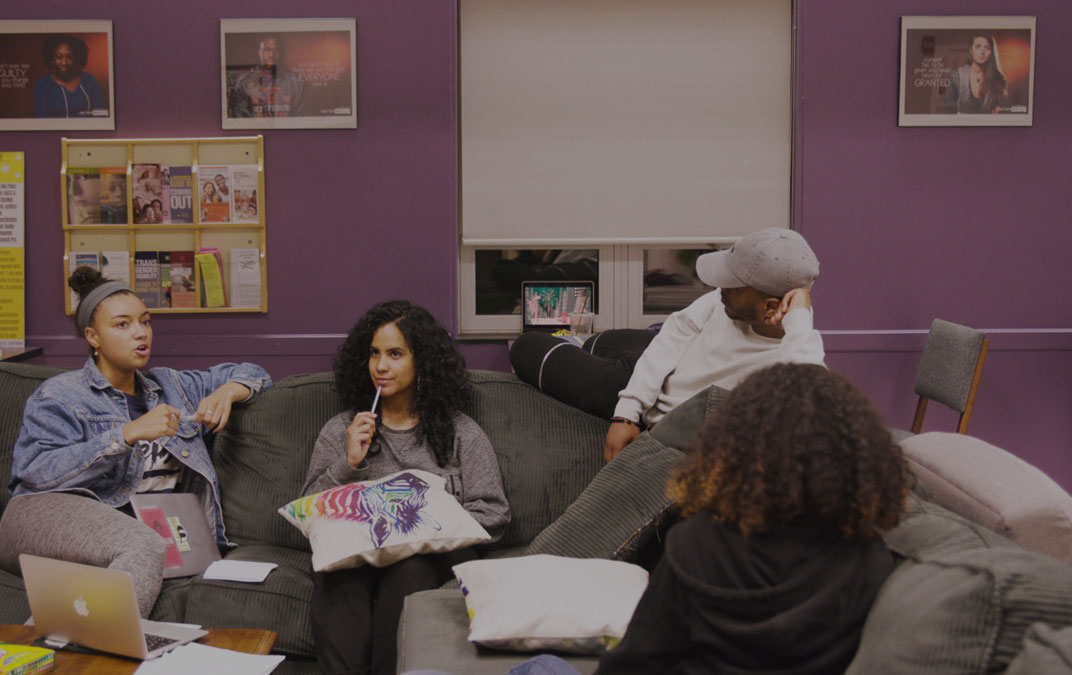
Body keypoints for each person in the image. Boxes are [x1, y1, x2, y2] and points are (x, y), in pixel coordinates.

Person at [473, 364, 909, 675]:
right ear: (855, 454)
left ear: (737, 446)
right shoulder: (871, 560)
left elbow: (637, 661)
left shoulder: (700, 542)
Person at [0, 266, 270, 617]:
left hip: (139, 532)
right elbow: (35, 472)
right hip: (41, 517)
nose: (141, 333)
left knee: (98, 588)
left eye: (146, 321)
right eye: (122, 325)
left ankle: (45, 654)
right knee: (143, 546)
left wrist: (228, 392)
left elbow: (254, 372)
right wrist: (124, 435)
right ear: (93, 337)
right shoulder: (60, 395)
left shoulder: (173, 386)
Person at [303, 299, 510, 675]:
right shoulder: (342, 430)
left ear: (422, 362)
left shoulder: (460, 432)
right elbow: (310, 511)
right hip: (358, 553)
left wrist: (426, 519)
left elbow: (494, 512)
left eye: (395, 354)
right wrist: (348, 463)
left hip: (428, 556)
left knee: (411, 570)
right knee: (336, 575)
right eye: (374, 354)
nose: (381, 366)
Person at [508, 228, 824, 461]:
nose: (718, 287)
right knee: (604, 341)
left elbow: (809, 394)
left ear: (771, 308)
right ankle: (590, 350)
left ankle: (592, 361)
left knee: (526, 347)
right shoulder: (723, 299)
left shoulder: (795, 361)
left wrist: (628, 417)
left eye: (731, 284)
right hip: (664, 363)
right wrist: (626, 409)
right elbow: (677, 329)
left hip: (655, 405)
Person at [229, 36, 306, 118]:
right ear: (259, 52)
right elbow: (238, 119)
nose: (271, 55)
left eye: (277, 50)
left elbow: (302, 118)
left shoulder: (296, 81)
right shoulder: (245, 82)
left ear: (282, 53)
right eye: (267, 50)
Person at [32, 35, 105, 118]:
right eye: (59, 57)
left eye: (69, 57)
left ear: (76, 58)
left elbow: (100, 114)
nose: (64, 63)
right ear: (52, 59)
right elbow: (42, 120)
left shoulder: (90, 81)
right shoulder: (42, 85)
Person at [943, 33, 1008, 114]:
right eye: (978, 47)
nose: (982, 51)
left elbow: (1001, 113)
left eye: (987, 48)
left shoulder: (997, 78)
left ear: (991, 52)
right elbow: (947, 112)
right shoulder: (955, 76)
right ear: (971, 49)